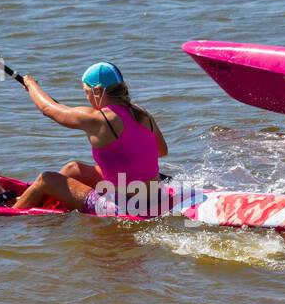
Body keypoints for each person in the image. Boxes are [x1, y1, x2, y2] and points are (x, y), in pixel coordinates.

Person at [10, 61, 168, 214]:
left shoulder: (99, 119)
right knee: (73, 169)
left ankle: (9, 214)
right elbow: (161, 151)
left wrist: (30, 83)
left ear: (97, 92)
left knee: (47, 179)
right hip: (156, 197)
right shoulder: (141, 112)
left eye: (86, 92)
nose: (87, 98)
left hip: (128, 207)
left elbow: (47, 109)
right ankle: (32, 198)